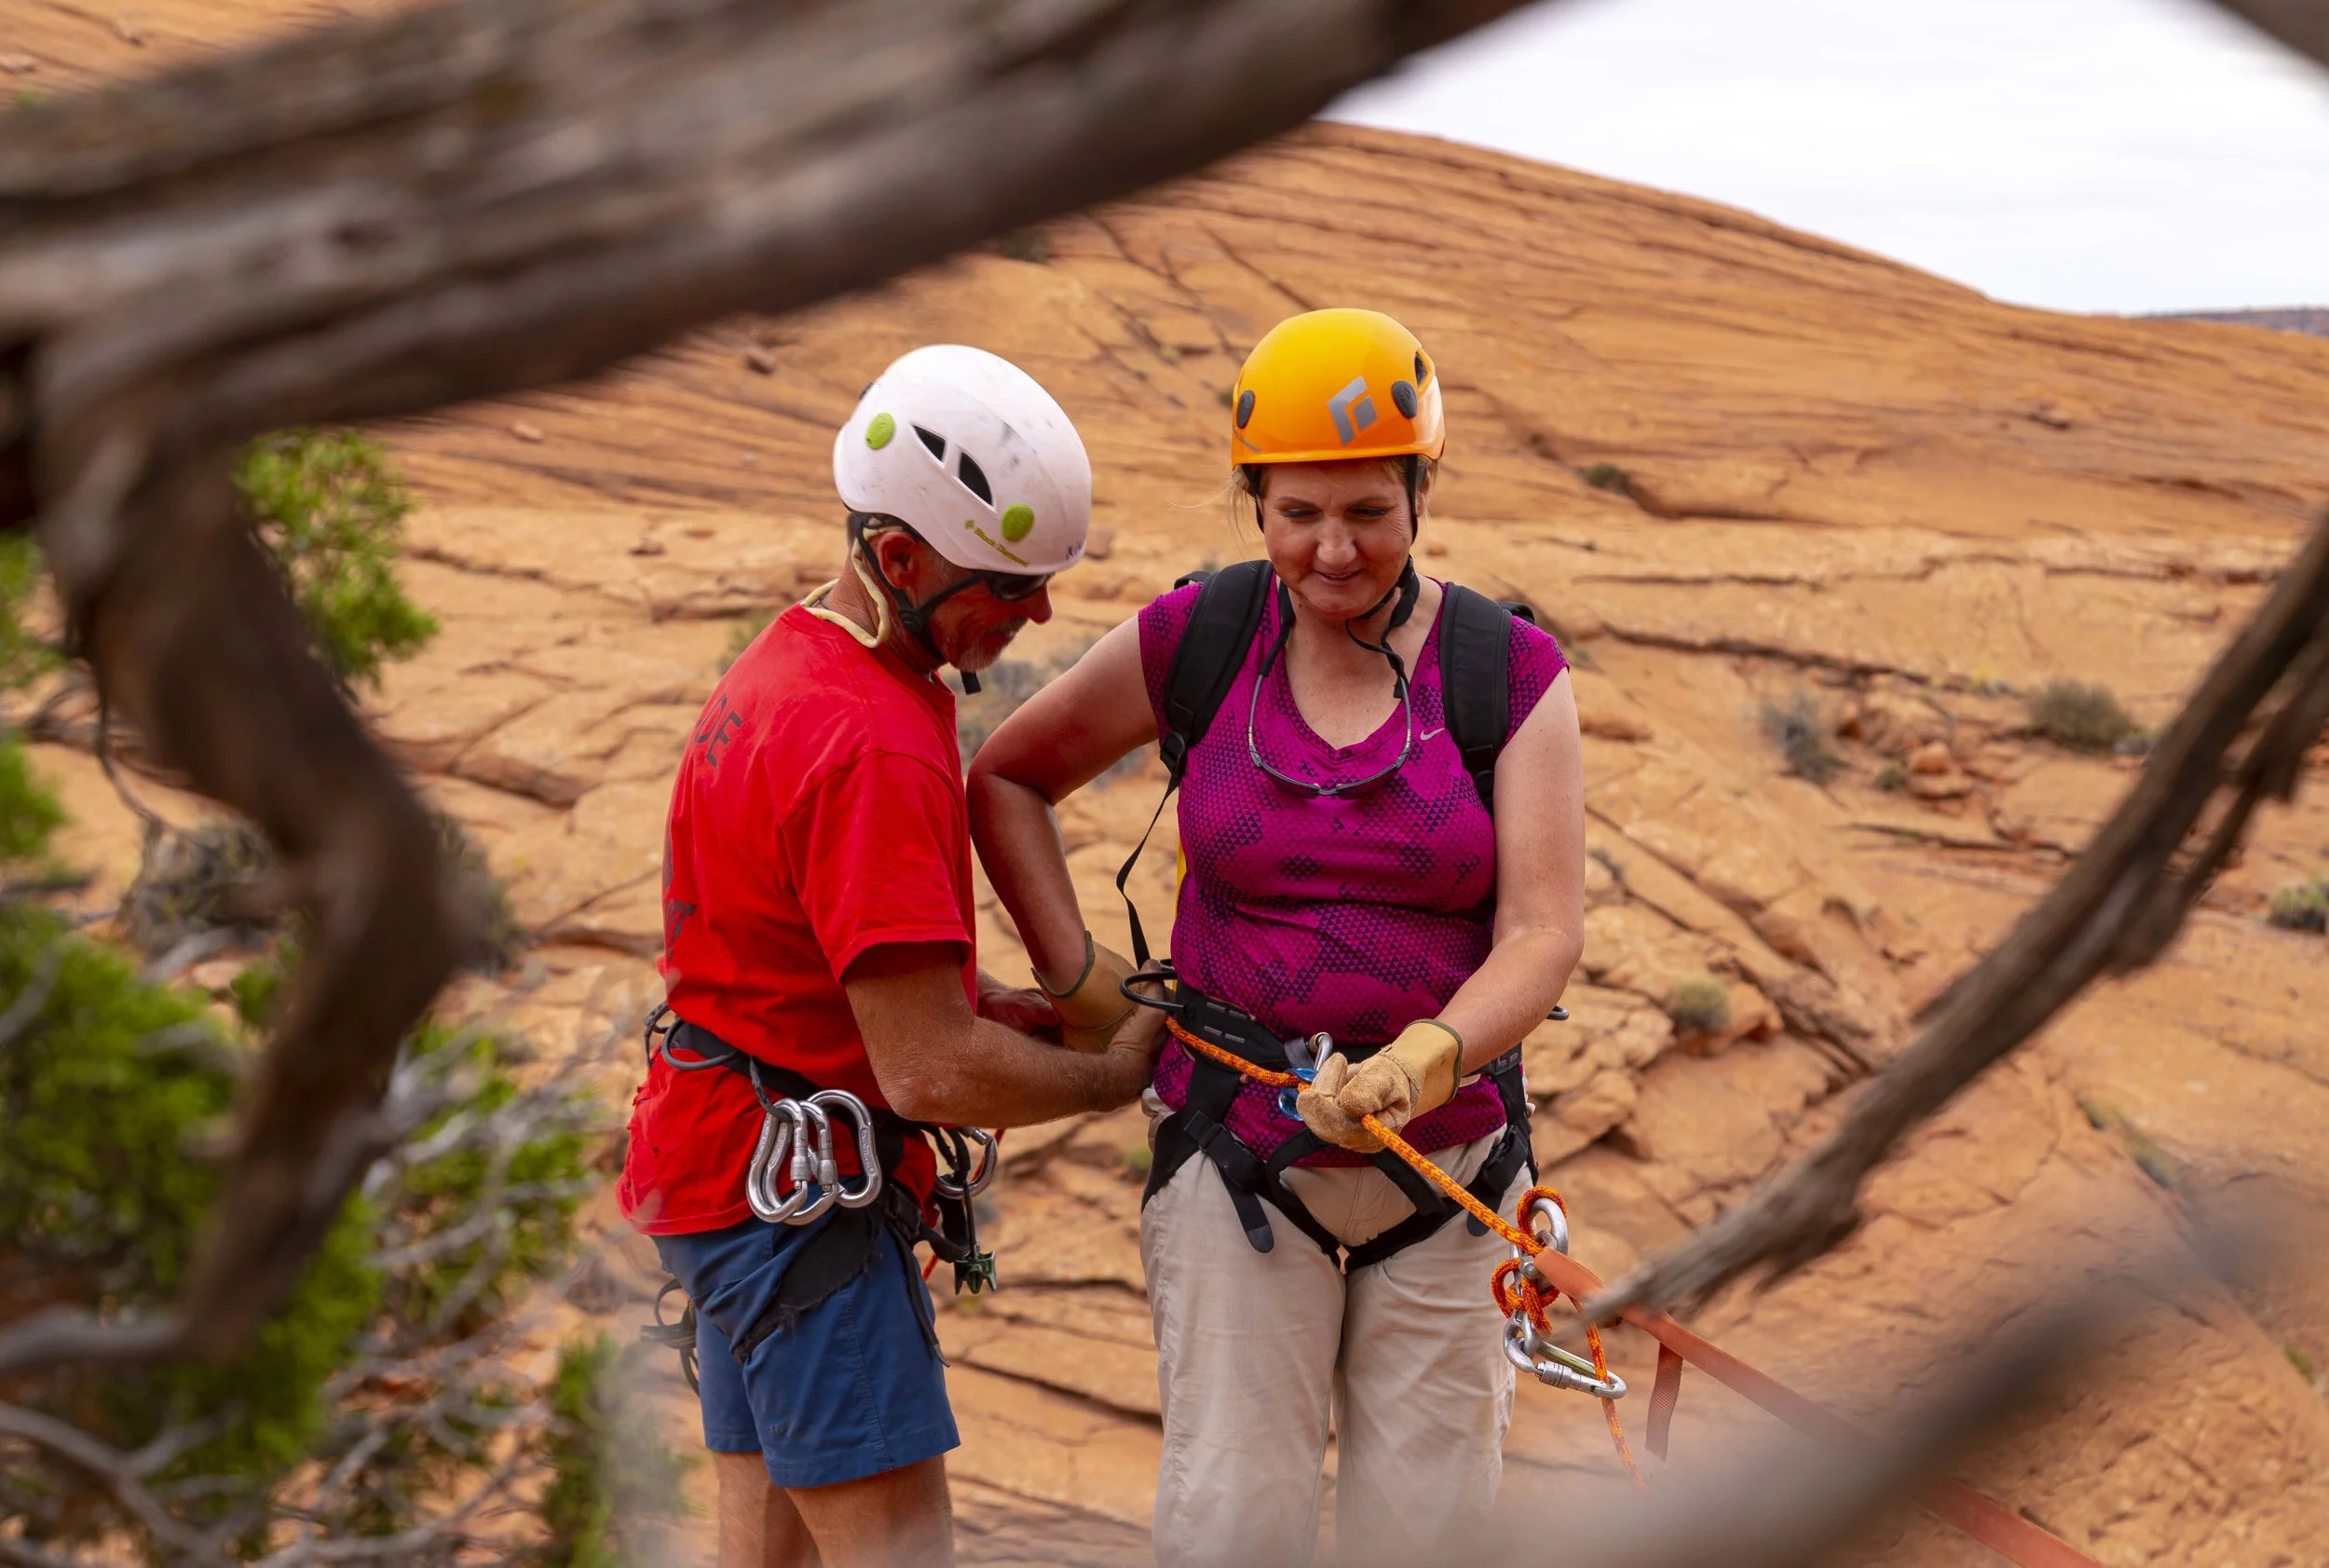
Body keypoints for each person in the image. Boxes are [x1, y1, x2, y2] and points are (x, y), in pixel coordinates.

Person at [966, 309, 1588, 1567]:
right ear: (1256, 504)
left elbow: (1540, 930)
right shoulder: (1200, 638)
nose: (1334, 547)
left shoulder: (1504, 671)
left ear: (1421, 492)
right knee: (1233, 1527)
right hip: (1235, 1159)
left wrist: (1423, 1058)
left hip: (1452, 1171)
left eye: (1369, 508)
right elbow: (1009, 778)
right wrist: (1083, 983)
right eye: (1298, 511)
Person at [620, 345, 1164, 1568]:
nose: (1035, 614)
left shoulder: (803, 658)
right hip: (798, 1205)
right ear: (902, 558)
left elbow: (832, 967)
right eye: (1011, 584)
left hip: (729, 1168)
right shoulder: (870, 735)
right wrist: (1109, 1073)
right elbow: (922, 1068)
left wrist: (1004, 1009)